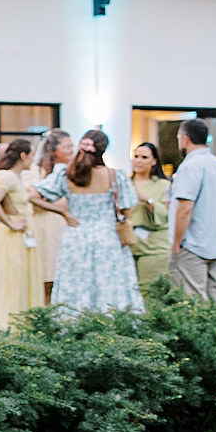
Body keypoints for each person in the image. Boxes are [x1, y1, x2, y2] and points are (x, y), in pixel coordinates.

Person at [34, 131, 142, 315]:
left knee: (75, 283)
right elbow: (126, 209)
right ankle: (110, 320)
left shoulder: (67, 174)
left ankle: (72, 321)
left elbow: (33, 197)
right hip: (107, 238)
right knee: (109, 282)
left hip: (75, 237)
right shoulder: (115, 176)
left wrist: (63, 212)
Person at [0, 139, 45, 329]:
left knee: (22, 278)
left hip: (23, 236)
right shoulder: (6, 177)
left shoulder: (16, 177)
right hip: (12, 237)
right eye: (31, 155)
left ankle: (23, 321)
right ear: (23, 156)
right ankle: (10, 322)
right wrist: (10, 223)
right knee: (12, 278)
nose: (33, 159)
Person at [169, 118, 216, 304]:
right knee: (214, 294)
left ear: (185, 139)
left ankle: (201, 332)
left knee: (193, 297)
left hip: (193, 243)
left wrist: (177, 242)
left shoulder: (190, 166)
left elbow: (185, 208)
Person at [22, 129, 74, 304]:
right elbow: (31, 200)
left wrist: (47, 200)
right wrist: (59, 203)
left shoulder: (72, 172)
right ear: (53, 150)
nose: (71, 150)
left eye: (71, 146)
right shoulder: (34, 172)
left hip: (64, 229)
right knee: (44, 278)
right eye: (66, 146)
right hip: (43, 230)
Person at [127, 142, 173, 288]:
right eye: (136, 156)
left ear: (154, 161)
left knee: (150, 291)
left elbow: (167, 214)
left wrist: (147, 199)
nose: (138, 160)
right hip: (128, 244)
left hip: (153, 247)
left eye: (144, 157)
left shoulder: (163, 185)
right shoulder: (125, 183)